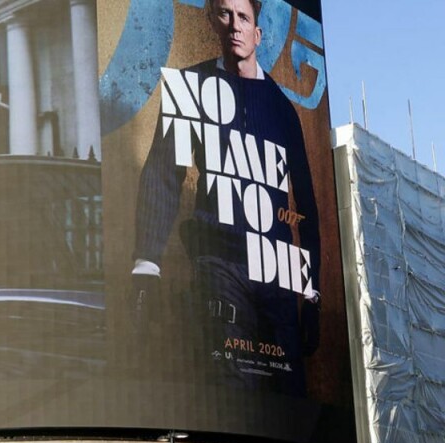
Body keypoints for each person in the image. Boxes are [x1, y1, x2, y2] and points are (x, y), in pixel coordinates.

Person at [129, 0, 320, 395]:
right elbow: (163, 174)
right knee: (233, 393)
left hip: (276, 273)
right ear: (212, 20)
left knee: (289, 402)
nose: (234, 25)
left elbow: (306, 205)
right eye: (225, 14)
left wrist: (312, 291)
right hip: (219, 264)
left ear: (258, 33)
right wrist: (147, 262)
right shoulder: (191, 87)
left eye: (244, 18)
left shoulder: (283, 110)